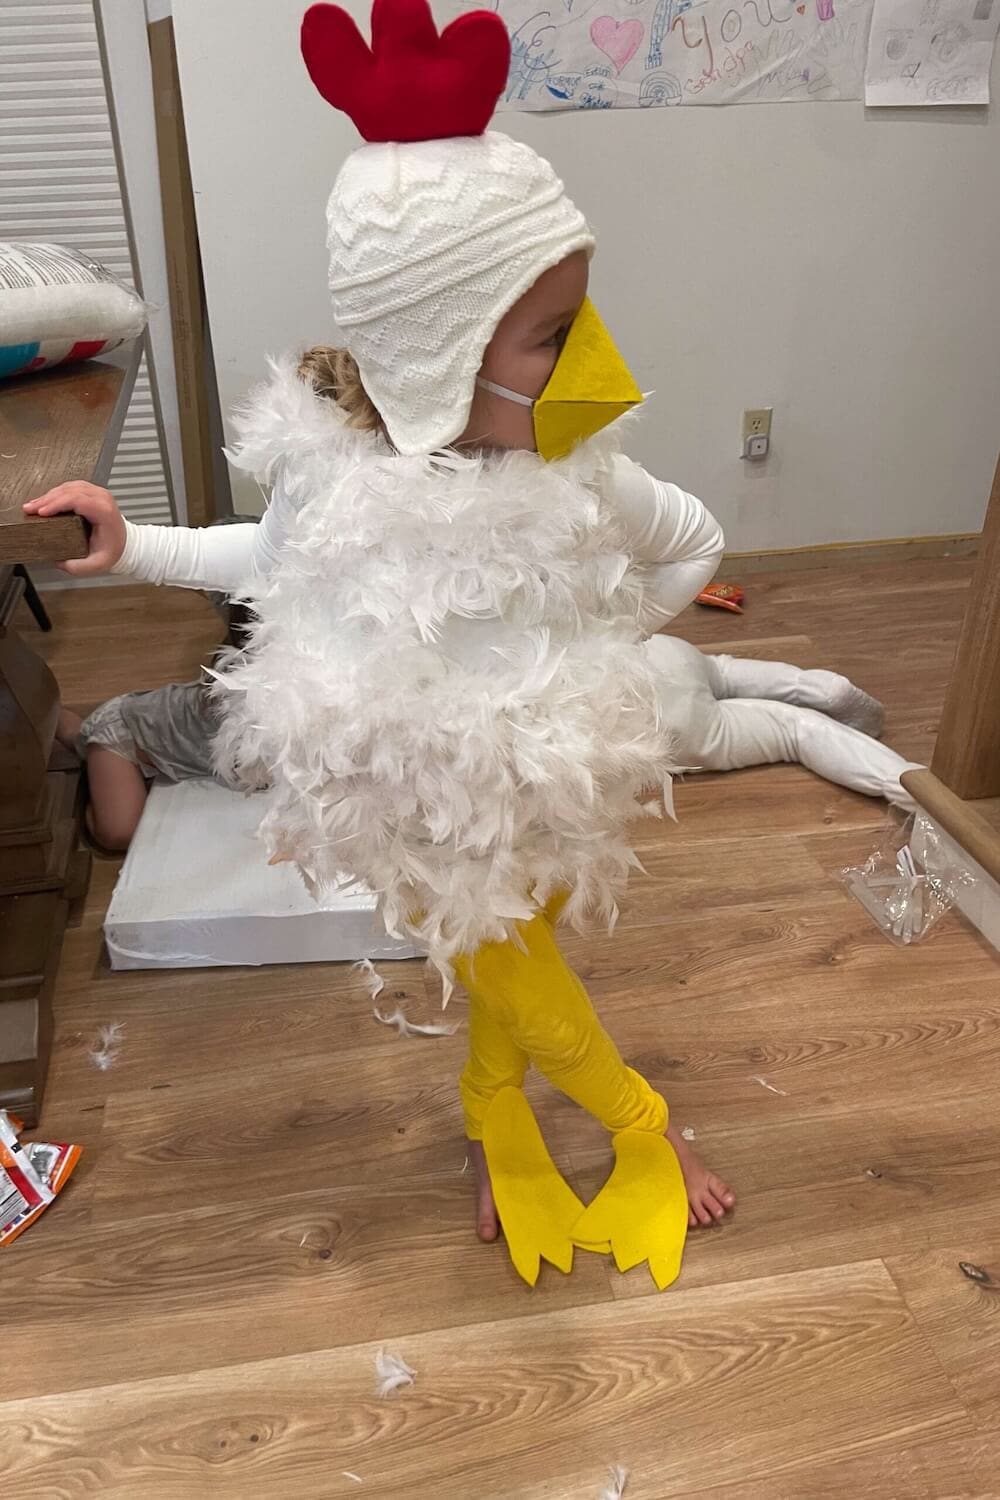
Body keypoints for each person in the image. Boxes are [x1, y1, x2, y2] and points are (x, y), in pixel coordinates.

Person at [26, 0, 772, 1287]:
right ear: (434, 353)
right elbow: (267, 561)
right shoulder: (339, 482)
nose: (592, 356)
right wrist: (134, 544)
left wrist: (598, 643)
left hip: (540, 789)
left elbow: (694, 540)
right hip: (412, 800)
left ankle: (492, 1117)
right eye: (551, 335)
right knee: (516, 968)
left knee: (512, 957)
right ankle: (638, 1123)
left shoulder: (584, 472)